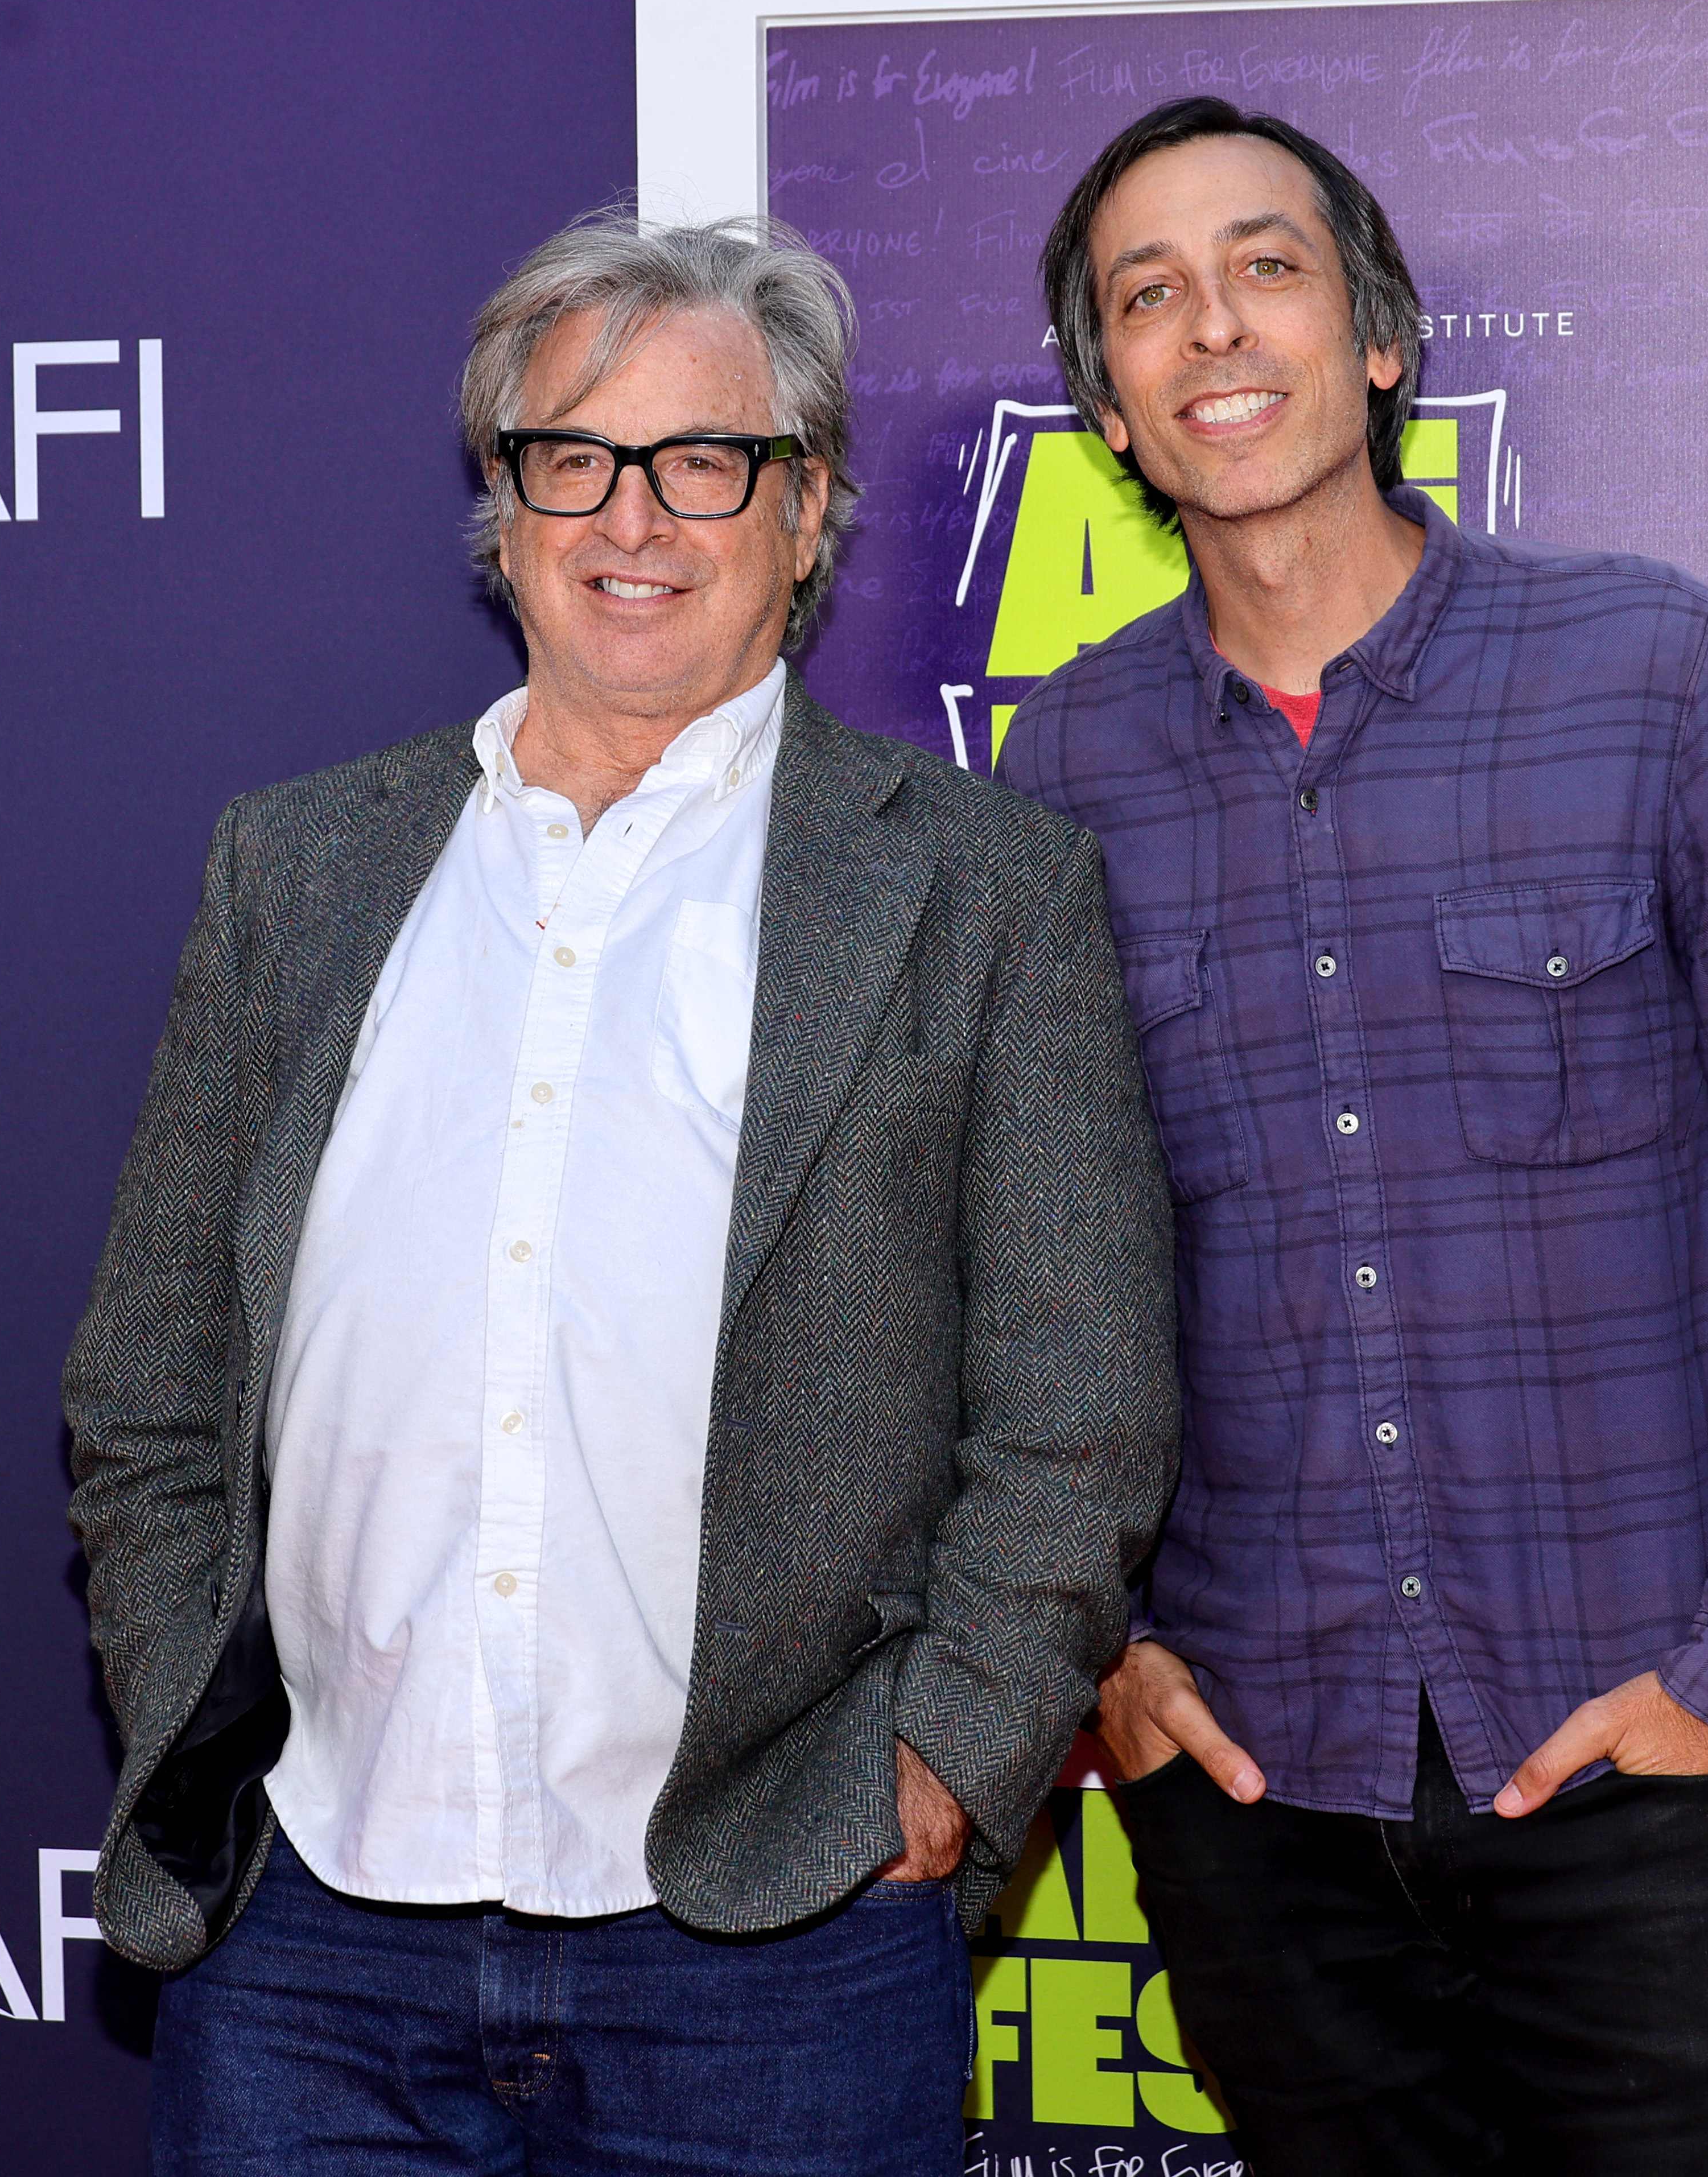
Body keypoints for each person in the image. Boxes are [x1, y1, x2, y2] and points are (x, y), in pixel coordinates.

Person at [64, 213, 1181, 2176]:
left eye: (704, 461)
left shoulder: (983, 891)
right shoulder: (298, 870)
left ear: (806, 510)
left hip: (781, 1943)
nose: (633, 518)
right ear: (503, 513)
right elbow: (153, 1370)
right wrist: (192, 1698)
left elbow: (1079, 1407)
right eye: (572, 459)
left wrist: (943, 1765)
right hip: (309, 1935)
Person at [996, 97, 1708, 2175]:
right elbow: (1031, 1284)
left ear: (1380, 338)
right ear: (1112, 412)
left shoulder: (1652, 671)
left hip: (1647, 1782)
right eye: (1148, 297)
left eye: (1266, 268)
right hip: (1263, 1808)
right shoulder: (1062, 770)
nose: (1213, 327)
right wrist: (1104, 1665)